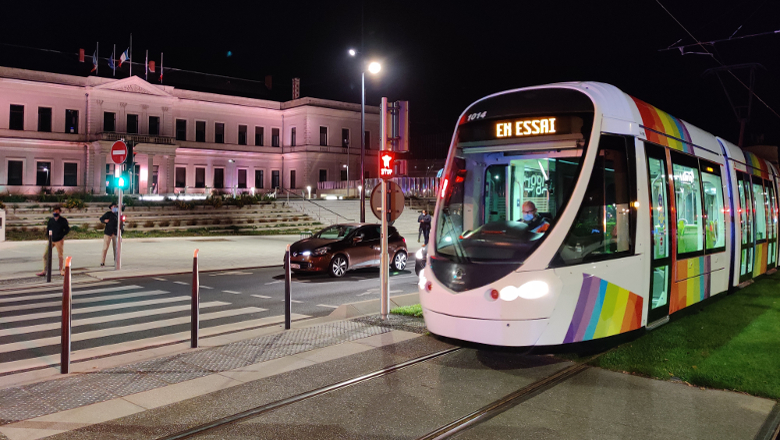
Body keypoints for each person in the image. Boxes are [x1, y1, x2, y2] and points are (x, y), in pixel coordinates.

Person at [37, 206, 70, 276]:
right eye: (54, 212)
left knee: (60, 255)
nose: (56, 214)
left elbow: (67, 229)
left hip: (59, 240)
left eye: (57, 212)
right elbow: (48, 229)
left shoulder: (63, 220)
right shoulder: (51, 220)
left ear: (60, 212)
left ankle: (61, 270)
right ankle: (44, 270)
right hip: (51, 239)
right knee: (45, 255)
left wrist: (62, 235)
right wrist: (48, 236)